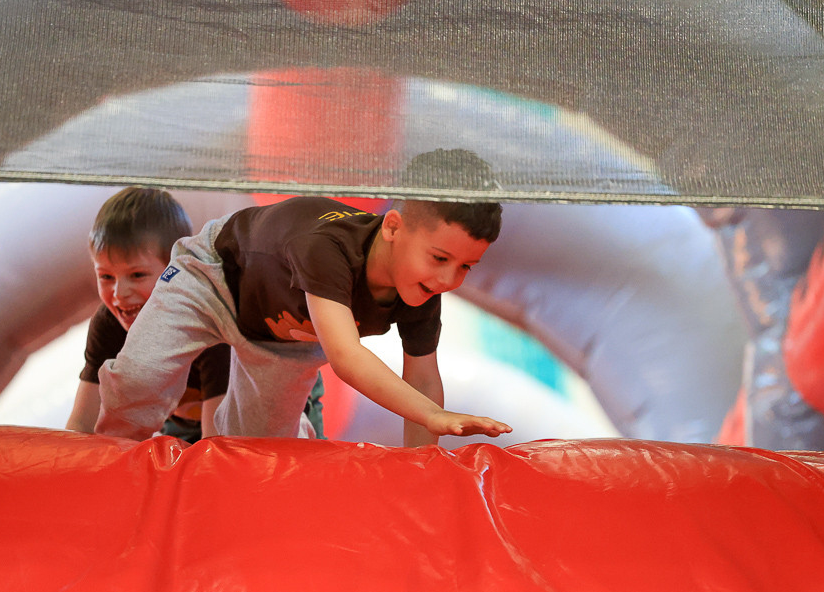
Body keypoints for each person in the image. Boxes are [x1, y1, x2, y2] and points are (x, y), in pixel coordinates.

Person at [96, 149, 511, 447]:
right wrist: (433, 416)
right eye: (439, 258)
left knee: (254, 449)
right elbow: (347, 360)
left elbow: (421, 379)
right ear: (393, 227)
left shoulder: (422, 292)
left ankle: (300, 440)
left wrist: (424, 467)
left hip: (283, 339)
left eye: (465, 267)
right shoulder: (327, 248)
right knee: (139, 378)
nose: (447, 279)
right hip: (212, 278)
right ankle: (107, 459)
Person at [67, 187, 324, 442]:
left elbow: (217, 442)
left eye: (137, 275)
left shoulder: (207, 323)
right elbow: (81, 424)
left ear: (175, 271)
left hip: (275, 398)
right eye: (106, 277)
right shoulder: (108, 324)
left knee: (277, 452)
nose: (119, 293)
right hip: (184, 421)